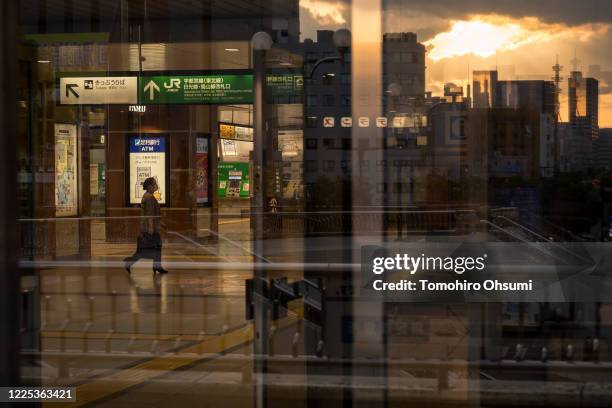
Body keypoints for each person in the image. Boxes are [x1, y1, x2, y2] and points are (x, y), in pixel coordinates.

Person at [124, 177, 168, 274]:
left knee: (152, 247)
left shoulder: (147, 196)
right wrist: (151, 228)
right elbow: (150, 214)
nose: (156, 186)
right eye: (154, 184)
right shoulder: (149, 197)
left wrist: (161, 224)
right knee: (147, 249)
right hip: (150, 228)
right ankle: (131, 262)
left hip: (149, 227)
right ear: (149, 186)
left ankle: (157, 266)